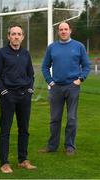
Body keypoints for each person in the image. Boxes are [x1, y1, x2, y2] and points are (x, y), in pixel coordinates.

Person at [39, 22, 90, 155]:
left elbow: (86, 66)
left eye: (65, 29)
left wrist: (80, 79)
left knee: (72, 118)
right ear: (58, 32)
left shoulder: (79, 46)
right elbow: (45, 66)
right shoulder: (52, 48)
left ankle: (70, 147)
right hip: (56, 88)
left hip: (73, 87)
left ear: (70, 31)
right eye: (61, 29)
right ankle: (52, 146)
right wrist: (50, 81)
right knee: (55, 118)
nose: (63, 31)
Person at [0, 24, 36, 173]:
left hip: (24, 97)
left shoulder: (25, 54)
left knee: (24, 130)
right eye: (13, 34)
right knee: (5, 130)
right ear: (8, 36)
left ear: (22, 37)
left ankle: (23, 160)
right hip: (8, 97)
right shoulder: (1, 53)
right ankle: (4, 163)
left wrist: (29, 91)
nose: (16, 36)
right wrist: (5, 93)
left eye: (19, 34)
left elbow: (31, 75)